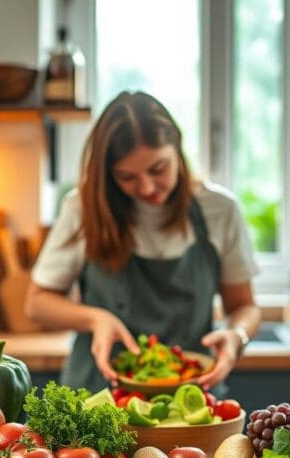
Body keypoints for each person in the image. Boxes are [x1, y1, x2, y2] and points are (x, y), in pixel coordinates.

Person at [25, 91, 261, 392]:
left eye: (158, 168)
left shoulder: (220, 210)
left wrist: (237, 335)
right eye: (127, 177)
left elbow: (244, 306)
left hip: (191, 395)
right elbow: (36, 303)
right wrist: (96, 319)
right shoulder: (83, 207)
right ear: (109, 175)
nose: (147, 187)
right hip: (100, 395)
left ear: (176, 147)